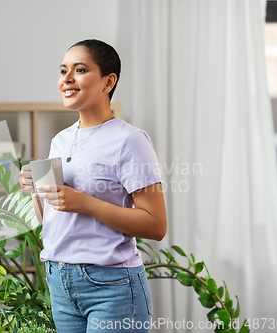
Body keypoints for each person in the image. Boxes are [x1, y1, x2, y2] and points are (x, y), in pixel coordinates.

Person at [19, 39, 167, 333]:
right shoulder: (60, 140)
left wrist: (85, 202)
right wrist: (36, 190)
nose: (67, 79)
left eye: (80, 70)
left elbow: (156, 225)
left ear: (108, 81)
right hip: (60, 281)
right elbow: (54, 222)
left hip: (112, 287)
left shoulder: (131, 140)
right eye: (63, 71)